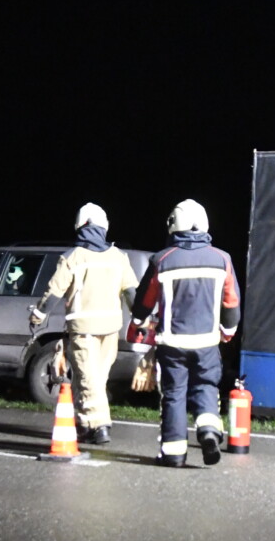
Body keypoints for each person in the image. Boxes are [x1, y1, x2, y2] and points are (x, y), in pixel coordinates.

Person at [130, 199, 241, 467]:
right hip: (206, 343)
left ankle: (174, 453)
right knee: (205, 386)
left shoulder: (162, 260)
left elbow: (145, 301)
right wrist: (228, 330)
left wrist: (138, 320)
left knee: (174, 395)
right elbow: (231, 303)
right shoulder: (222, 259)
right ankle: (209, 431)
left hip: (172, 344)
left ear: (173, 224)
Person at [30, 203, 139, 444]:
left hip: (84, 329)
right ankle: (85, 424)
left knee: (89, 378)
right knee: (93, 378)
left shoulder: (73, 257)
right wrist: (141, 320)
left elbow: (53, 292)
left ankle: (100, 425)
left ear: (80, 226)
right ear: (105, 226)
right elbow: (132, 294)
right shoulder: (118, 257)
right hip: (111, 329)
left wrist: (38, 314)